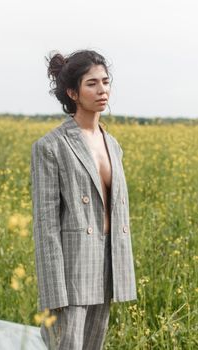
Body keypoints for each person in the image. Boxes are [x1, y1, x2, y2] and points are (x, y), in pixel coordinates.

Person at [30, 49, 137, 350]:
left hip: (107, 265)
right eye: (92, 83)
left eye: (105, 81)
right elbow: (45, 225)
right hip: (71, 271)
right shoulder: (51, 146)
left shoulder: (112, 144)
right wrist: (54, 292)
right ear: (72, 92)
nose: (102, 90)